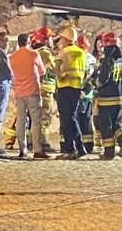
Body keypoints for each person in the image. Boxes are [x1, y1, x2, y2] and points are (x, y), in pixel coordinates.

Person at [8, 33, 49, 159]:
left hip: (19, 92)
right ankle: (37, 149)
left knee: (20, 120)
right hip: (33, 91)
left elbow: (11, 74)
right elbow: (42, 71)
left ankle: (22, 149)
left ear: (18, 43)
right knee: (36, 121)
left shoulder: (12, 57)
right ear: (29, 42)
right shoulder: (34, 54)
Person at [92, 32, 122, 160]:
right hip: (121, 99)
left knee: (106, 126)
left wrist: (94, 81)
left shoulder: (108, 60)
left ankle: (109, 153)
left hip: (107, 99)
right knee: (117, 123)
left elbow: (103, 80)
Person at [53, 26, 88, 160]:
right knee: (72, 117)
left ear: (66, 39)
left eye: (62, 38)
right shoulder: (81, 52)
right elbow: (85, 71)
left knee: (66, 120)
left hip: (65, 87)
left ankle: (70, 149)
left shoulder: (64, 52)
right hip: (76, 88)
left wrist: (60, 77)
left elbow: (57, 68)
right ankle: (80, 147)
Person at [32, 27, 58, 152]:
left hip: (36, 88)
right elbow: (53, 69)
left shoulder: (33, 52)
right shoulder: (45, 53)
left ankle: (32, 141)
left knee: (34, 116)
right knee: (45, 115)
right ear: (46, 40)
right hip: (46, 88)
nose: (52, 41)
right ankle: (44, 142)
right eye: (51, 38)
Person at [77, 33, 97, 154]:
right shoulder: (91, 59)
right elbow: (92, 77)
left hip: (77, 92)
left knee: (78, 119)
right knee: (86, 119)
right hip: (87, 93)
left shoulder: (77, 57)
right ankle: (88, 145)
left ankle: (80, 144)